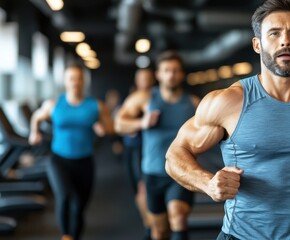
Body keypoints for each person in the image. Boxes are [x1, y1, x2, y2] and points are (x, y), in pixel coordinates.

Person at [165, 0, 290, 239]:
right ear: (257, 44)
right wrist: (208, 183)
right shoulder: (228, 102)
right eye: (274, 33)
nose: (285, 41)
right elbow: (174, 155)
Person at [115, 51, 200, 240]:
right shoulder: (144, 99)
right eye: (167, 70)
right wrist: (141, 123)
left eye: (176, 70)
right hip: (153, 172)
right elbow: (118, 124)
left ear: (182, 74)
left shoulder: (193, 103)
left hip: (182, 171)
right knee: (160, 231)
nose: (171, 75)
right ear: (158, 75)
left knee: (178, 216)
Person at [29, 63, 115, 240]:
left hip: (84, 161)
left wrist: (103, 129)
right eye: (71, 78)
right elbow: (37, 117)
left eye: (78, 78)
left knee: (79, 206)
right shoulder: (53, 104)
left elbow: (111, 127)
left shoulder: (96, 106)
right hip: (59, 159)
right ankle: (66, 235)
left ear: (83, 81)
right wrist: (34, 132)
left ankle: (74, 236)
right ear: (65, 82)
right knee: (65, 196)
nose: (75, 82)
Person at [121, 68, 155, 239]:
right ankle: (148, 224)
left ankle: (151, 228)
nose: (145, 81)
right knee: (139, 191)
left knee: (144, 190)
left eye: (148, 78)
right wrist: (137, 124)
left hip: (151, 150)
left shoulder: (157, 98)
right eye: (142, 78)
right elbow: (119, 123)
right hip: (134, 148)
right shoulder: (133, 99)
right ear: (137, 80)